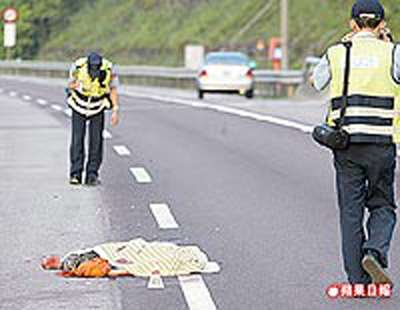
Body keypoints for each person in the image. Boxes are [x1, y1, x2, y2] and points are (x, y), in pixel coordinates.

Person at [313, 0, 400, 286]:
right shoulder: (394, 53)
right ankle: (374, 251)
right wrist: (390, 44)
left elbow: (317, 82)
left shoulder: (337, 53)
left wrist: (342, 45)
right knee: (383, 204)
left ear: (352, 24)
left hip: (345, 144)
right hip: (382, 144)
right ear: (381, 24)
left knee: (351, 212)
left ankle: (356, 279)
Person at [67, 52, 119, 185]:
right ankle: (75, 174)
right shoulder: (78, 67)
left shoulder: (109, 69)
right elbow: (69, 85)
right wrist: (77, 86)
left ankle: (92, 174)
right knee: (77, 139)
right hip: (79, 104)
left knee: (96, 141)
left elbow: (113, 89)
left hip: (98, 105)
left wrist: (115, 110)